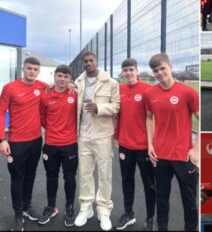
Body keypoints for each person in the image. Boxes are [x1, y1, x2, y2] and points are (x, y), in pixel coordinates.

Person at [144, 53, 199, 231]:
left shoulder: (188, 92)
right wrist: (150, 145)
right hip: (160, 156)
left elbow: (202, 119)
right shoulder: (149, 94)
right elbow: (149, 118)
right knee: (162, 199)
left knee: (189, 202)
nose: (159, 73)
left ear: (170, 67)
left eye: (162, 68)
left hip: (183, 156)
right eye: (155, 70)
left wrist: (196, 149)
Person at [74, 51, 120, 231]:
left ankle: (104, 210)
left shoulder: (111, 83)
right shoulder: (78, 82)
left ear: (97, 61)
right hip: (82, 136)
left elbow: (117, 106)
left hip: (102, 135)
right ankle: (86, 207)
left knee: (104, 173)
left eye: (91, 60)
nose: (88, 63)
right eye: (85, 61)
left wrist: (100, 107)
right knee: (84, 174)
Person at [0, 57, 47, 231]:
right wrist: (2, 139)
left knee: (30, 175)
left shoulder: (42, 86)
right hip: (16, 143)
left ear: (38, 71)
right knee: (17, 179)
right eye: (29, 68)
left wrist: (72, 86)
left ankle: (27, 206)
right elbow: (0, 111)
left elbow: (59, 88)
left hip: (35, 141)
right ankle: (18, 214)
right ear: (23, 69)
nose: (32, 72)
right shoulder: (10, 88)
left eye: (35, 69)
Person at [114, 58, 156, 231]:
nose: (129, 73)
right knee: (126, 181)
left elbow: (152, 117)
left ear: (137, 71)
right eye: (125, 70)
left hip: (144, 147)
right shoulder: (119, 89)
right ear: (122, 73)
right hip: (125, 145)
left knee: (149, 184)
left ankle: (150, 218)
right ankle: (129, 213)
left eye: (131, 70)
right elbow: (118, 115)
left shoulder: (147, 90)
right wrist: (117, 136)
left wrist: (152, 143)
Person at [38, 65, 78, 227]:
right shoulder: (45, 95)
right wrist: (54, 131)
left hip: (70, 145)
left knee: (69, 177)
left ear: (70, 79)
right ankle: (51, 206)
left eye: (66, 77)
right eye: (59, 76)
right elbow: (42, 118)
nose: (62, 79)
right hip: (51, 145)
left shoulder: (75, 94)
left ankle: (69, 207)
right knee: (51, 177)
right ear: (54, 76)